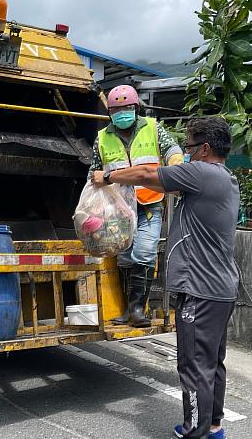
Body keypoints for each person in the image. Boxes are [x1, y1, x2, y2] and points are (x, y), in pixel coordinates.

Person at [92, 116, 239, 439]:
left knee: (194, 364)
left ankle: (196, 432)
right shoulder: (223, 178)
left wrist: (107, 176)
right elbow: (160, 183)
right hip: (218, 288)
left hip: (200, 289)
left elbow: (147, 174)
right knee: (212, 362)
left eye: (188, 147)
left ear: (204, 148)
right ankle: (212, 426)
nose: (184, 154)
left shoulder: (202, 173)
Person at [88, 84, 184, 328]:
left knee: (144, 251)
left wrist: (176, 164)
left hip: (149, 202)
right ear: (110, 113)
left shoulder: (152, 128)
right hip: (119, 207)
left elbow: (172, 149)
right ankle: (129, 310)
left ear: (136, 108)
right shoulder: (102, 137)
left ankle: (139, 309)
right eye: (116, 110)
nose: (122, 113)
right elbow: (95, 170)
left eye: (126, 108)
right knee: (125, 256)